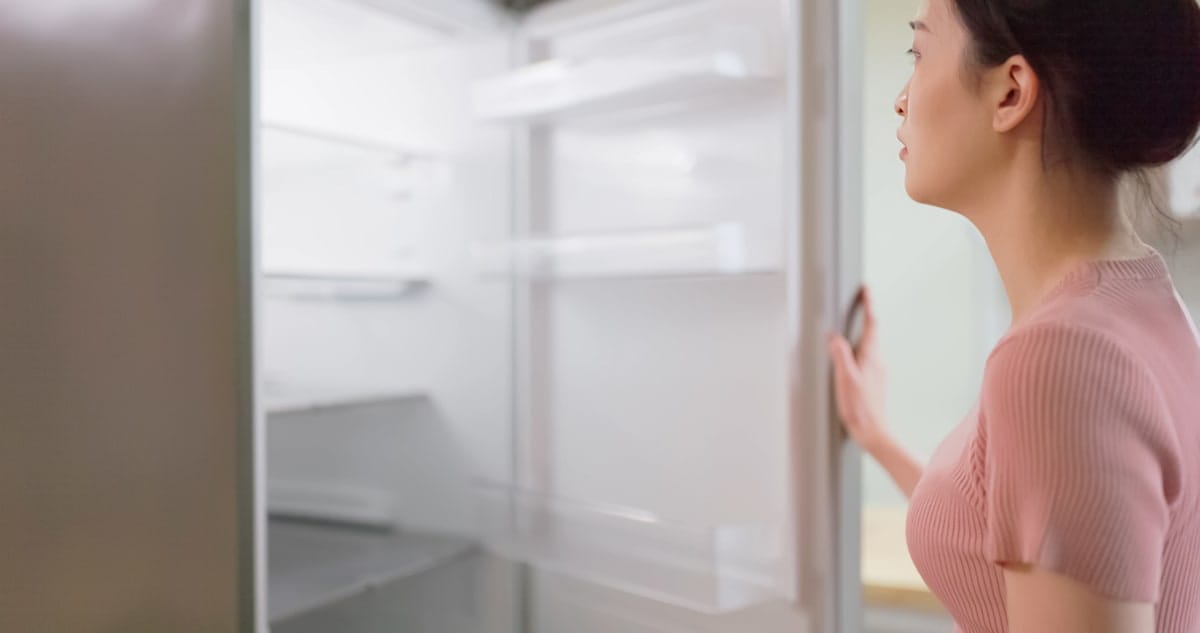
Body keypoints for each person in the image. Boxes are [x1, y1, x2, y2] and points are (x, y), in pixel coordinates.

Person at [827, 1, 1200, 631]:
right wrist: (877, 437)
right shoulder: (1137, 300)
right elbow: (1024, 533)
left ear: (1011, 92)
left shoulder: (1061, 357)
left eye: (919, 54)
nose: (901, 99)